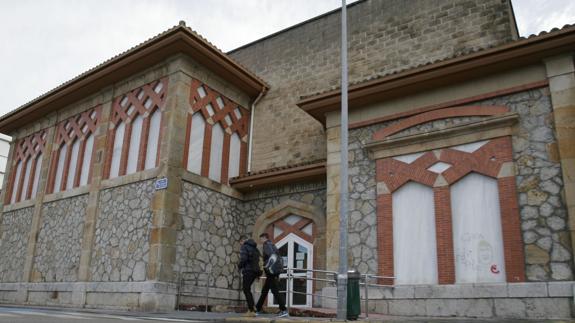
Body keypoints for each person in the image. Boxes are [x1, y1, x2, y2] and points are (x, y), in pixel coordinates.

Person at [255, 233, 288, 317]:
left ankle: (284, 310)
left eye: (261, 239)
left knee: (275, 291)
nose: (261, 241)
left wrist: (266, 266)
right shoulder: (273, 245)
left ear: (264, 238)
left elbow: (271, 257)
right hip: (272, 272)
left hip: (270, 272)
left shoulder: (267, 245)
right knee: (264, 291)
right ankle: (258, 309)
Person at [238, 235, 262, 317]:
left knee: (246, 289)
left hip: (248, 271)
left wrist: (239, 266)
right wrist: (258, 274)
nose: (240, 245)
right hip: (255, 272)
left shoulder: (245, 247)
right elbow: (259, 261)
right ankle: (252, 307)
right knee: (247, 289)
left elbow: (243, 259)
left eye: (240, 243)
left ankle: (251, 309)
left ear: (242, 240)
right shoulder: (256, 249)